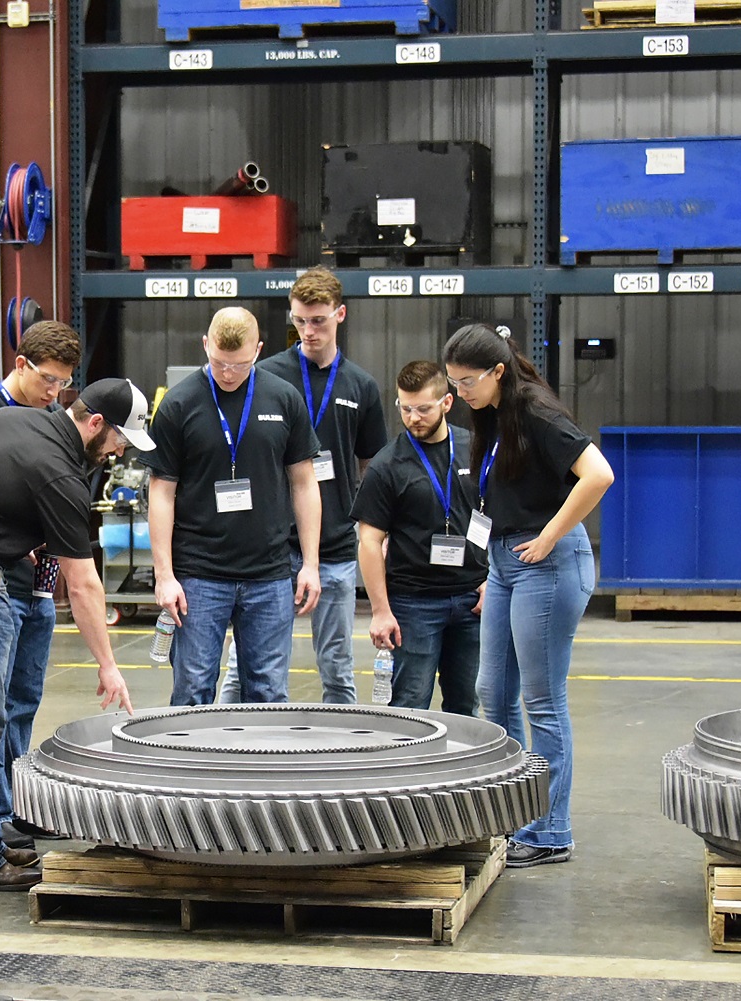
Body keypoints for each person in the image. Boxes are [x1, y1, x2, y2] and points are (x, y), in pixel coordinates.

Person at [0, 377, 153, 890]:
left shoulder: (12, 418)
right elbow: (83, 585)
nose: (122, 450)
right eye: (121, 438)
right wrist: (109, 664)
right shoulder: (61, 473)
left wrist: (16, 537)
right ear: (96, 424)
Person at [442, 323, 615, 869]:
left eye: (467, 382)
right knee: (493, 692)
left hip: (547, 563)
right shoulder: (493, 416)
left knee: (541, 701)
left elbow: (598, 474)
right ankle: (515, 815)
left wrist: (550, 536)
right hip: (504, 561)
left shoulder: (537, 413)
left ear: (497, 372)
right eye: (454, 382)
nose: (460, 393)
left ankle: (550, 832)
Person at [216, 266, 387, 704]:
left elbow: (372, 468)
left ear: (340, 315)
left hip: (334, 550)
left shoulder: (360, 387)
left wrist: (374, 534)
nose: (308, 331)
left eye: (318, 320)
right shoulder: (264, 378)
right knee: (247, 667)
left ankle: (338, 762)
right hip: (270, 550)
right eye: (299, 321)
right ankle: (225, 748)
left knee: (338, 667)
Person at [144, 306, 322, 706]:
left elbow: (305, 483)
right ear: (205, 345)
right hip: (198, 576)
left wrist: (310, 563)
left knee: (269, 693)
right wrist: (164, 575)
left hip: (270, 576)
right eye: (219, 363)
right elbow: (161, 492)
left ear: (258, 350)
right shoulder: (178, 404)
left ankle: (261, 770)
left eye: (239, 365)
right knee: (192, 692)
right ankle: (191, 770)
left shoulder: (284, 398)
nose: (228, 374)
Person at [0, 320, 81, 854]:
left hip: (38, 584)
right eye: (47, 380)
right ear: (21, 364)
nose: (54, 394)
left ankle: (16, 808)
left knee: (24, 700)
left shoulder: (50, 416)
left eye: (63, 387)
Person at [351, 360, 487, 713]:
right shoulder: (387, 465)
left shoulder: (476, 449)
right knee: (410, 706)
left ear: (446, 403)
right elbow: (368, 541)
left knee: (466, 708)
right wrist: (380, 611)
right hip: (414, 605)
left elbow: (497, 516)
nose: (414, 418)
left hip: (473, 599)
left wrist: (495, 579)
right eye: (405, 408)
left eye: (423, 409)